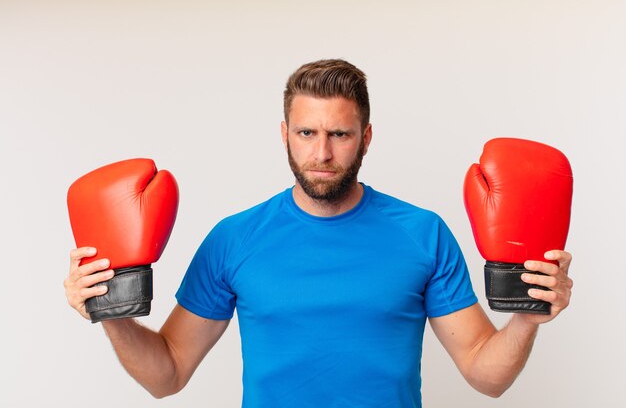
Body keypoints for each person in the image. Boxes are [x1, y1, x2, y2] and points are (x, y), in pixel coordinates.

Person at [64, 59, 573, 407]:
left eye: (340, 134)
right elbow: (167, 374)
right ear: (284, 134)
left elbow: (486, 375)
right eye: (307, 133)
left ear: (366, 138)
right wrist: (110, 313)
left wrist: (529, 319)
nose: (322, 154)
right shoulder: (234, 239)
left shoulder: (422, 233)